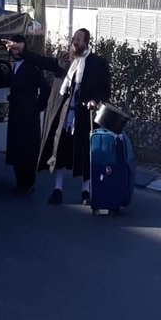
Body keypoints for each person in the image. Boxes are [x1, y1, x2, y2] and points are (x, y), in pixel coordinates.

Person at [38, 28, 111, 206]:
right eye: (74, 39)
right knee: (60, 151)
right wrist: (21, 51)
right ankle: (57, 189)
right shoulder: (65, 59)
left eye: (79, 39)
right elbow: (43, 61)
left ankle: (85, 191)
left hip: (85, 116)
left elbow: (105, 89)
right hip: (65, 115)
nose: (75, 42)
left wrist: (95, 100)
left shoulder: (98, 64)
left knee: (85, 154)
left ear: (87, 42)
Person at [0, 35, 58, 195]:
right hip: (15, 114)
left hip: (28, 115)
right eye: (14, 48)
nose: (16, 51)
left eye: (19, 48)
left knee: (27, 149)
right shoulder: (13, 66)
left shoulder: (31, 66)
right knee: (16, 148)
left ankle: (28, 183)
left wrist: (37, 106)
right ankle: (20, 183)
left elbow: (45, 87)